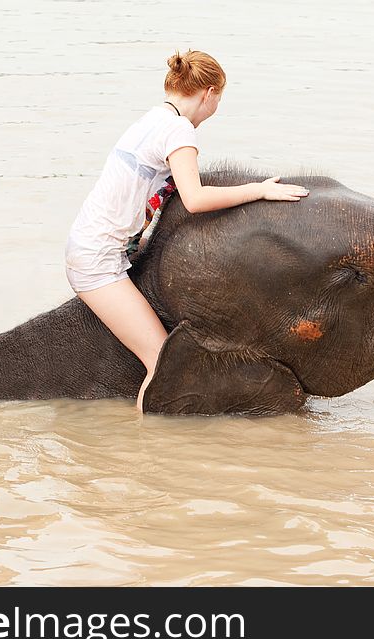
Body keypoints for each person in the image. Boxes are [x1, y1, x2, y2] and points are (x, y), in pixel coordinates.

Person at [64, 49, 310, 412]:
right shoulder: (178, 130)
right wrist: (260, 190)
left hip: (92, 248)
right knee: (162, 362)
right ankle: (147, 450)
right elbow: (194, 198)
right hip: (98, 262)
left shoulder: (153, 118)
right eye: (218, 100)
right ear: (209, 93)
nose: (215, 110)